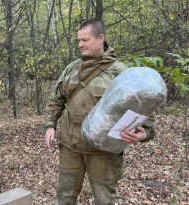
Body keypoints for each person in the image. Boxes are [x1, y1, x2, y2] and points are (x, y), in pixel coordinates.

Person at [44, 19, 156, 204]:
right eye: (79, 40)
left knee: (104, 199)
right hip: (70, 146)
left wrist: (144, 134)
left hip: (103, 150)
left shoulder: (121, 73)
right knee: (65, 197)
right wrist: (50, 125)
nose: (80, 44)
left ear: (100, 38)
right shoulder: (72, 69)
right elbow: (56, 99)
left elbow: (145, 114)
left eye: (85, 40)